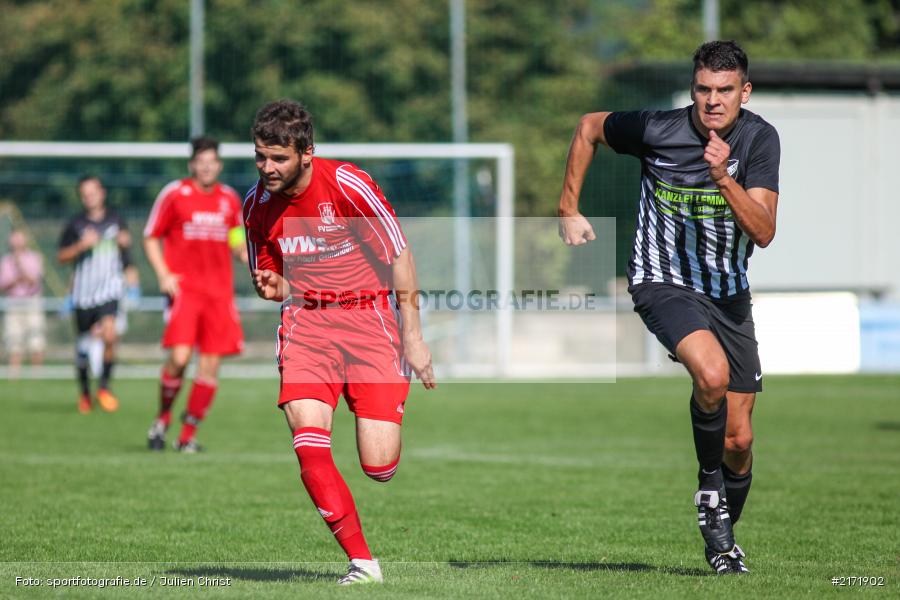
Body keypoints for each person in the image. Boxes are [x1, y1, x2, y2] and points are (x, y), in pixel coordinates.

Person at [558, 41, 779, 575]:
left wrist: (723, 177)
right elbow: (590, 125)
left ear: (743, 93)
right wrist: (567, 206)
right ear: (692, 89)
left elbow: (765, 232)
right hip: (663, 282)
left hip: (728, 293)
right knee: (711, 375)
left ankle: (722, 544)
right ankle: (709, 488)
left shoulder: (760, 139)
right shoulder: (658, 129)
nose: (712, 101)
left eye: (725, 91)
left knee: (740, 438)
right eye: (703, 89)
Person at [244, 99, 436, 585]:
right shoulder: (256, 207)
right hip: (307, 327)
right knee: (308, 443)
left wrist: (413, 337)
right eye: (260, 157)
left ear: (306, 153)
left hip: (370, 321)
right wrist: (273, 287)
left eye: (278, 158)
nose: (267, 168)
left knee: (379, 468)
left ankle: (375, 408)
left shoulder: (346, 184)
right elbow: (273, 277)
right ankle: (363, 563)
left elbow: (399, 254)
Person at [143, 137, 246, 453]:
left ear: (219, 165)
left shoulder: (229, 199)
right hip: (185, 293)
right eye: (201, 161)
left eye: (212, 161)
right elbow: (150, 236)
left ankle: (186, 436)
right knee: (179, 357)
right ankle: (161, 419)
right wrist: (164, 275)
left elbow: (237, 241)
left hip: (218, 295)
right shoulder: (175, 194)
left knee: (210, 367)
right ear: (192, 164)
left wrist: (257, 259)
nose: (206, 166)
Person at [58, 175, 132, 413]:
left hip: (109, 290)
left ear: (102, 193)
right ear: (82, 197)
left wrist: (125, 247)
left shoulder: (115, 220)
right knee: (82, 348)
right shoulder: (75, 225)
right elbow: (61, 257)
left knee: (110, 335)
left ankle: (104, 387)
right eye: (85, 193)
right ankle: (85, 394)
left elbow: (125, 253)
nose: (90, 197)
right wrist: (81, 246)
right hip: (83, 294)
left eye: (93, 192)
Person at [1, 229, 46, 377]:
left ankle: (36, 375)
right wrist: (16, 279)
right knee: (13, 340)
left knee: (36, 339)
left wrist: (20, 267)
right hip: (13, 302)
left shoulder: (35, 258)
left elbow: (34, 281)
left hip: (32, 301)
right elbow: (4, 284)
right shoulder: (6, 261)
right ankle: (14, 375)